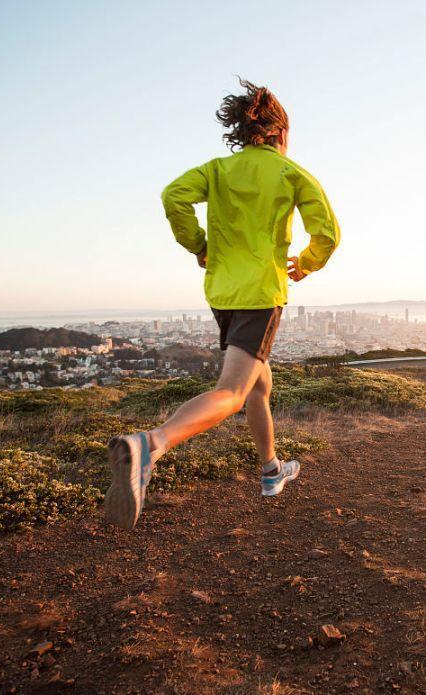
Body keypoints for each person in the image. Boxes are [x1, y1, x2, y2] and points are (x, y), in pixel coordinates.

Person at [104, 78, 340, 530]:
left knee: (257, 385)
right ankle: (149, 445)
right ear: (281, 134)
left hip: (222, 294)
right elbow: (327, 233)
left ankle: (271, 471)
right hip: (261, 294)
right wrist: (308, 263)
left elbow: (173, 195)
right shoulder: (292, 174)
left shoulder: (216, 170)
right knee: (232, 393)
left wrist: (198, 244)